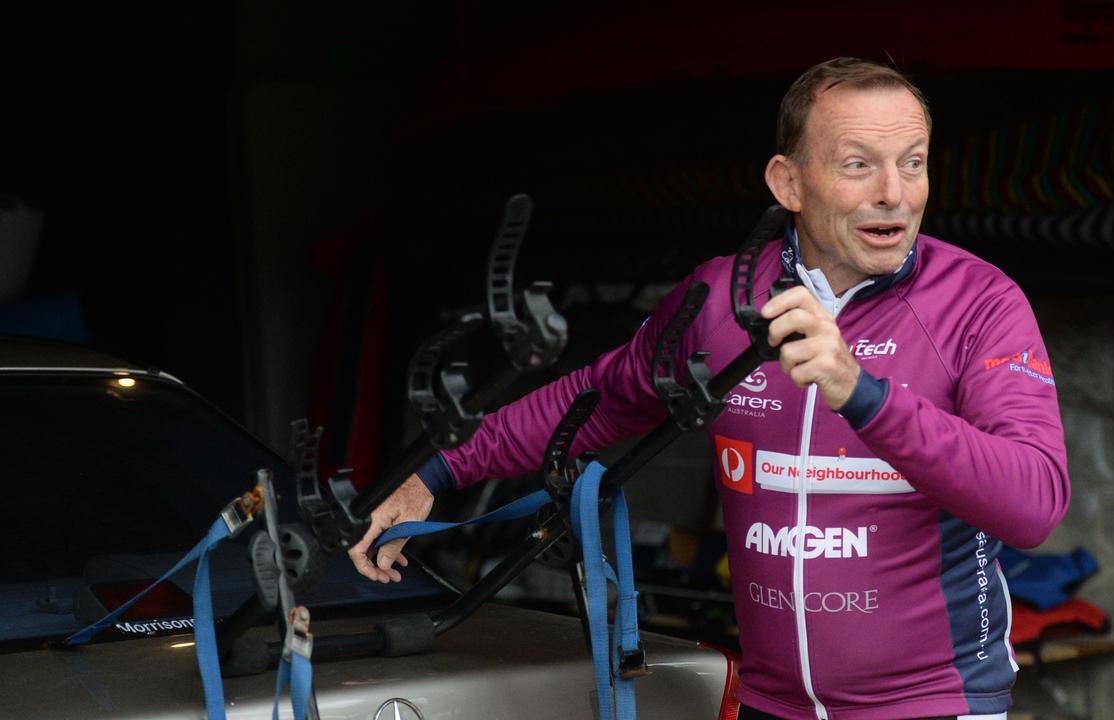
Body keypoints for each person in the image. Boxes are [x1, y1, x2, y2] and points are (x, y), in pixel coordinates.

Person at [349, 57, 1070, 720]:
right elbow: (600, 397)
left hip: (934, 705)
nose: (894, 194)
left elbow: (1032, 502)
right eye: (858, 164)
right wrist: (436, 471)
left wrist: (863, 393)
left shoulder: (978, 302)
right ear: (787, 182)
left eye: (912, 164)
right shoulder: (725, 298)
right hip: (770, 703)